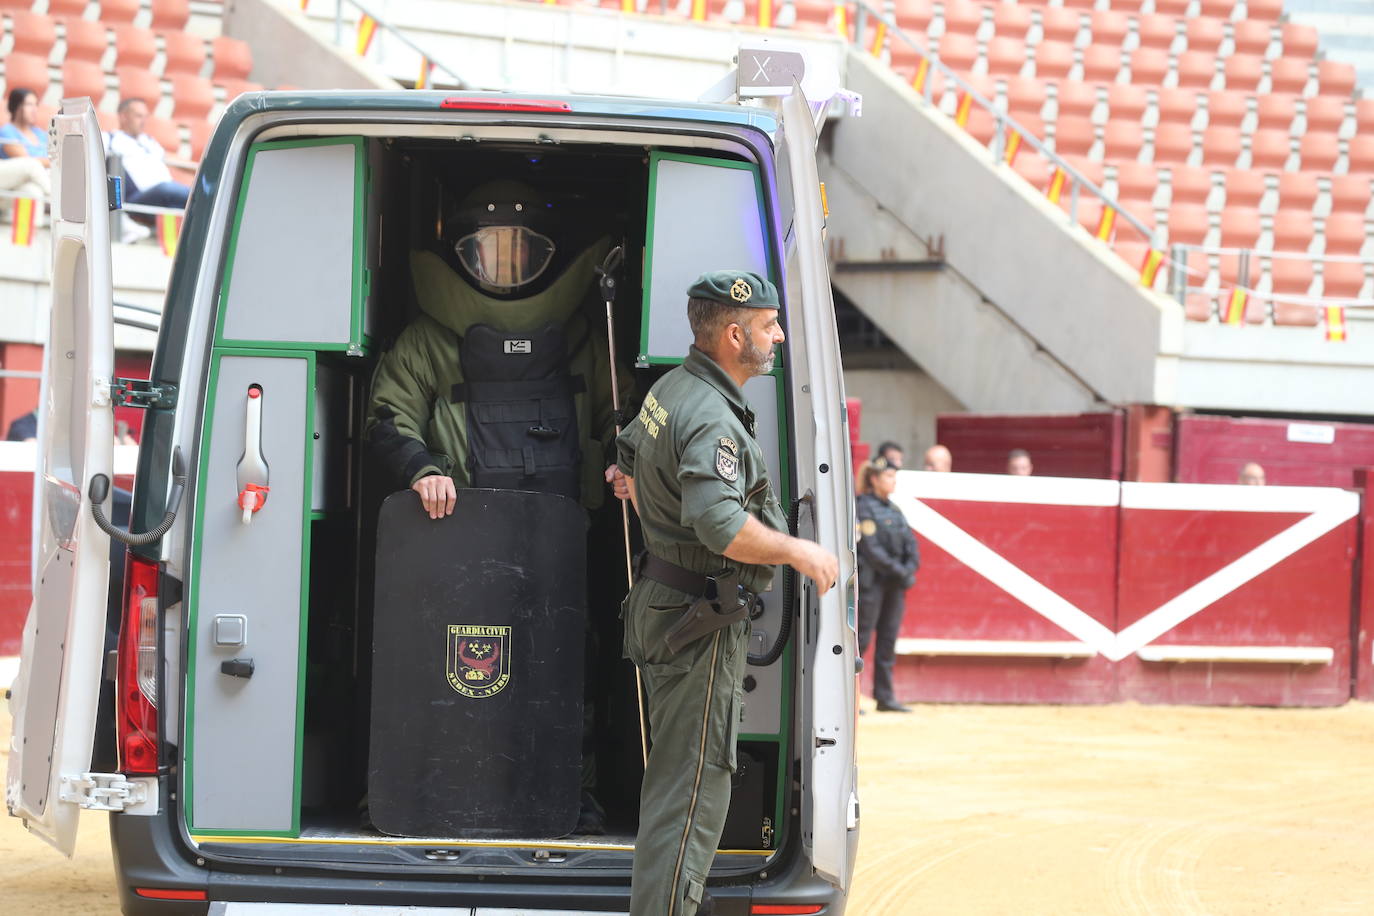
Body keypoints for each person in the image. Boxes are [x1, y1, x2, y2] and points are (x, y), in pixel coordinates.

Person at [367, 178, 624, 833]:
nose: (504, 266)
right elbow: (387, 415)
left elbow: (617, 414)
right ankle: (437, 786)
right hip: (455, 542)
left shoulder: (583, 338)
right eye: (488, 252)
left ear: (547, 256)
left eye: (521, 252)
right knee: (445, 665)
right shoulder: (427, 339)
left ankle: (573, 788)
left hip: (558, 540)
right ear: (460, 256)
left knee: (569, 662)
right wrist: (421, 468)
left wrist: (627, 461)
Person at [610, 269, 838, 916]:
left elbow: (626, 452)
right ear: (735, 334)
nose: (780, 336)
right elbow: (722, 526)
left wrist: (638, 482)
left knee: (678, 788)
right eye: (769, 326)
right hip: (697, 621)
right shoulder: (710, 415)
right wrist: (798, 550)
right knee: (690, 796)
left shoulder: (673, 388)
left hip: (669, 603)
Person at [856, 456, 919, 714]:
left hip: (893, 585)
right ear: (874, 479)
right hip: (873, 584)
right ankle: (851, 699)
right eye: (888, 476)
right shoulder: (864, 507)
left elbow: (911, 543)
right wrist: (900, 571)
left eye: (894, 477)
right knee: (860, 639)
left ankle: (885, 696)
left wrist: (909, 569)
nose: (893, 481)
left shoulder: (894, 509)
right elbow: (871, 549)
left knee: (887, 640)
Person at [106, 98, 194, 209]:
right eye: (138, 116)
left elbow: (170, 158)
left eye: (145, 117)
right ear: (123, 117)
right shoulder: (110, 138)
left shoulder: (148, 140)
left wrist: (202, 168)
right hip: (140, 197)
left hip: (166, 194)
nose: (143, 121)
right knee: (174, 190)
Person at [0, 88, 52, 202]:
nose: (34, 109)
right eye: (29, 104)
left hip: (34, 181)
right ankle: (56, 199)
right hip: (13, 179)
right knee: (32, 164)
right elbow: (26, 160)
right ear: (16, 107)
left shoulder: (40, 133)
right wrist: (52, 161)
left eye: (36, 105)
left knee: (33, 192)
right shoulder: (7, 131)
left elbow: (54, 157)